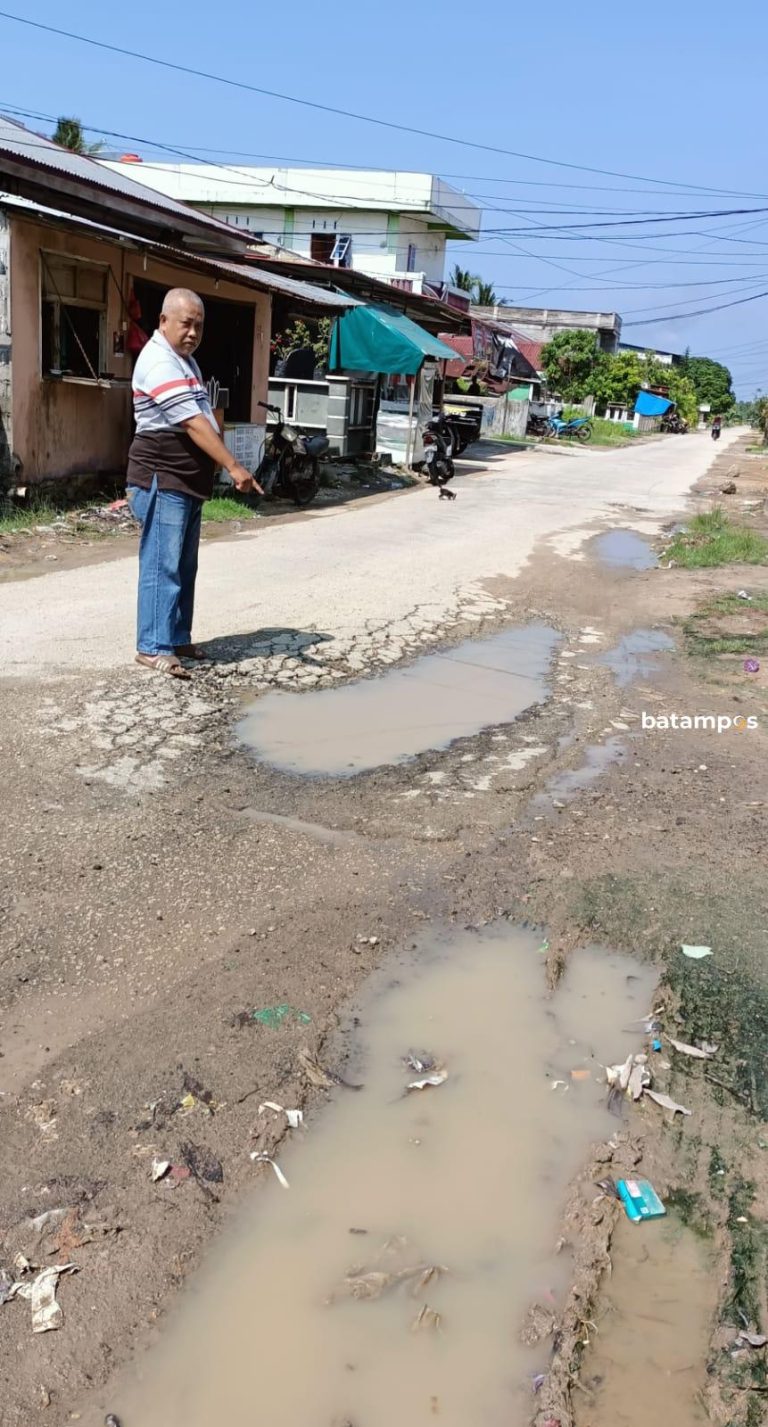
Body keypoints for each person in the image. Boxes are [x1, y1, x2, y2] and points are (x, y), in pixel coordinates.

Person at [126, 288, 262, 680]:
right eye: (186, 324)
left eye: (199, 326)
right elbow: (192, 423)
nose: (193, 333)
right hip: (162, 475)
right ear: (163, 321)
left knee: (185, 566)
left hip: (185, 479)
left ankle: (176, 637)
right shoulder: (158, 361)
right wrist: (233, 466)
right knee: (163, 565)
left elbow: (206, 416)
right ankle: (153, 646)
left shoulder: (185, 363)